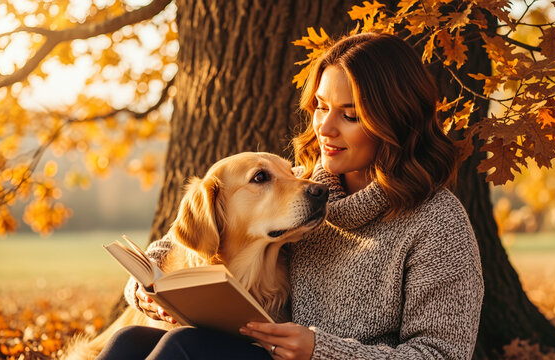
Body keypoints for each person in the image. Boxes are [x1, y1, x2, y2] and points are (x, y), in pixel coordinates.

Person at [97, 32, 484, 360]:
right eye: (321, 107)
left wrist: (323, 350)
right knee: (128, 341)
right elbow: (184, 239)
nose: (325, 128)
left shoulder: (438, 224)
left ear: (394, 119)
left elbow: (440, 354)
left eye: (350, 116)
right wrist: (143, 285)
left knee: (185, 346)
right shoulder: (308, 188)